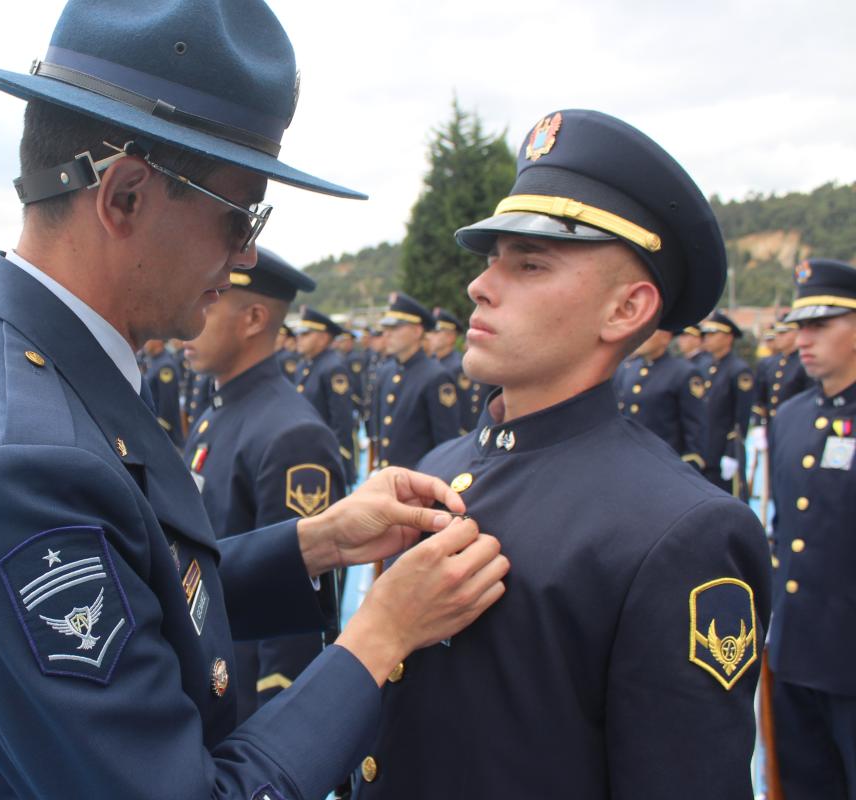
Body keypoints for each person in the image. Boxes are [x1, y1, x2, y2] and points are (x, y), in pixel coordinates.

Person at [0, 3, 510, 797]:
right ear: (124, 196)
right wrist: (380, 636)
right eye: (240, 215)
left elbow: (137, 597)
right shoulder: (17, 465)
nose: (247, 254)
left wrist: (316, 543)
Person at [357, 109, 770, 798]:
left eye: (530, 264)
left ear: (625, 311)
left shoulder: (678, 530)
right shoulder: (438, 467)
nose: (479, 286)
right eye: (491, 261)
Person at [181, 247, 345, 719]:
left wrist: (278, 717)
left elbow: (293, 604)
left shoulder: (292, 435)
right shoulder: (221, 411)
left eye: (209, 300)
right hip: (209, 664)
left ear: (253, 318)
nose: (193, 317)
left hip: (244, 694)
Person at [766, 258, 856, 800]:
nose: (804, 339)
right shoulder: (792, 416)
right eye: (800, 326)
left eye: (821, 325)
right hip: (797, 651)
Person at [372, 293, 459, 469]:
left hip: (419, 483)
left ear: (417, 331)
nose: (386, 334)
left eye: (395, 327)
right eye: (385, 328)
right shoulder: (386, 371)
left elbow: (446, 444)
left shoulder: (436, 377)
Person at [613, 328, 707, 469]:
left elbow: (694, 424)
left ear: (666, 336)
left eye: (650, 331)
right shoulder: (629, 369)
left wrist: (691, 462)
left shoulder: (683, 372)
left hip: (665, 464)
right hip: (629, 459)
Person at [294, 306, 358, 484]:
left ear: (323, 338)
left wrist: (336, 458)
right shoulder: (304, 366)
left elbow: (341, 420)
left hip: (324, 458)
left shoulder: (333, 368)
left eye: (306, 334)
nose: (299, 338)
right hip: (306, 453)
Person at [699, 310, 754, 498]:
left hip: (724, 451)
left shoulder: (739, 370)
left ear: (728, 337)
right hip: (706, 450)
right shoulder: (706, 367)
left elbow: (742, 416)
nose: (707, 338)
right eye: (706, 334)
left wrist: (732, 451)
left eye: (713, 334)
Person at [141, 338, 185, 446]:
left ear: (158, 341)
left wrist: (162, 427)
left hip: (166, 432)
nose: (145, 344)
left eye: (148, 340)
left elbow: (168, 402)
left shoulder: (165, 366)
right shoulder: (154, 361)